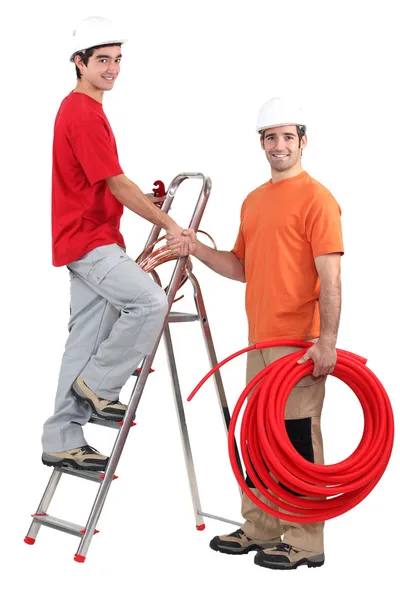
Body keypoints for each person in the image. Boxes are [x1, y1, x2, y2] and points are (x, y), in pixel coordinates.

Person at [173, 97, 344, 570]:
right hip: (259, 341)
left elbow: (330, 278)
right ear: (261, 144)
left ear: (303, 142)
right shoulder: (253, 200)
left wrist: (326, 340)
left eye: (288, 136)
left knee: (296, 441)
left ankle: (306, 540)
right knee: (257, 437)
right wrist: (197, 249)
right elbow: (241, 266)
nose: (279, 145)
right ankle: (262, 525)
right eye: (270, 137)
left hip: (300, 343)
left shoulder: (318, 199)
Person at [41, 16, 189, 472]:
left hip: (84, 236)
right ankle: (100, 388)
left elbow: (99, 183)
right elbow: (114, 181)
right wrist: (167, 223)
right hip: (90, 240)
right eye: (102, 60)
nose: (112, 69)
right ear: (79, 63)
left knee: (83, 341)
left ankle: (61, 438)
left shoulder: (84, 111)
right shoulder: (83, 112)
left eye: (118, 60)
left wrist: (142, 201)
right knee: (149, 303)